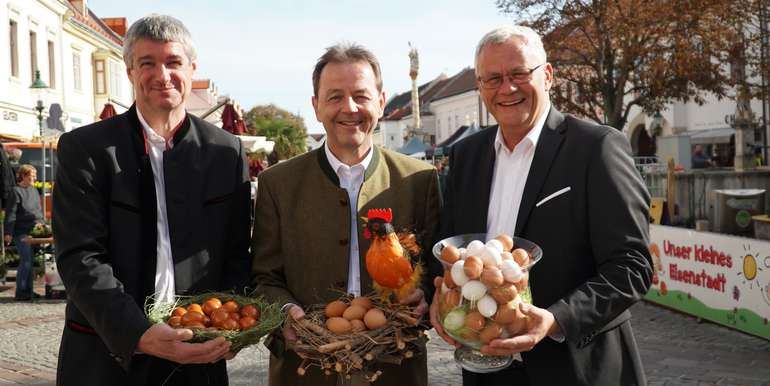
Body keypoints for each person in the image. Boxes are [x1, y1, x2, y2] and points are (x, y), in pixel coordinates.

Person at [429, 25, 652, 386]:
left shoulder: (596, 149)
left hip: (577, 369)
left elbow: (632, 266)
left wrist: (554, 320)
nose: (507, 88)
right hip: (486, 372)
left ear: (547, 75)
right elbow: (449, 246)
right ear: (481, 87)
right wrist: (439, 294)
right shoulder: (466, 155)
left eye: (519, 73)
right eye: (493, 79)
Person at [53, 14, 252, 386]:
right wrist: (137, 332)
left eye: (173, 62)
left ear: (192, 69)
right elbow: (79, 257)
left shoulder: (226, 152)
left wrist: (232, 323)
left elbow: (238, 253)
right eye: (148, 63)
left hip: (199, 354)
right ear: (130, 71)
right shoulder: (85, 149)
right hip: (108, 356)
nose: (162, 75)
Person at [252, 43, 441, 386]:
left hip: (396, 370)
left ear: (381, 102)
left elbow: (436, 269)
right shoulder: (276, 183)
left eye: (361, 95)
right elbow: (264, 277)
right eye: (335, 96)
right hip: (305, 369)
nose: (349, 108)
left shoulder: (420, 179)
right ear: (316, 106)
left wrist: (424, 296)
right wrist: (285, 315)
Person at [4, 164, 44, 301]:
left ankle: (29, 291)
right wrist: (8, 233)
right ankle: (21, 292)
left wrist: (42, 225)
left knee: (31, 261)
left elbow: (39, 211)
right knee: (26, 260)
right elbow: (11, 213)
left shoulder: (34, 190)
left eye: (35, 175)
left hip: (34, 232)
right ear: (23, 176)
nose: (35, 178)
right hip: (21, 232)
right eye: (32, 175)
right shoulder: (16, 191)